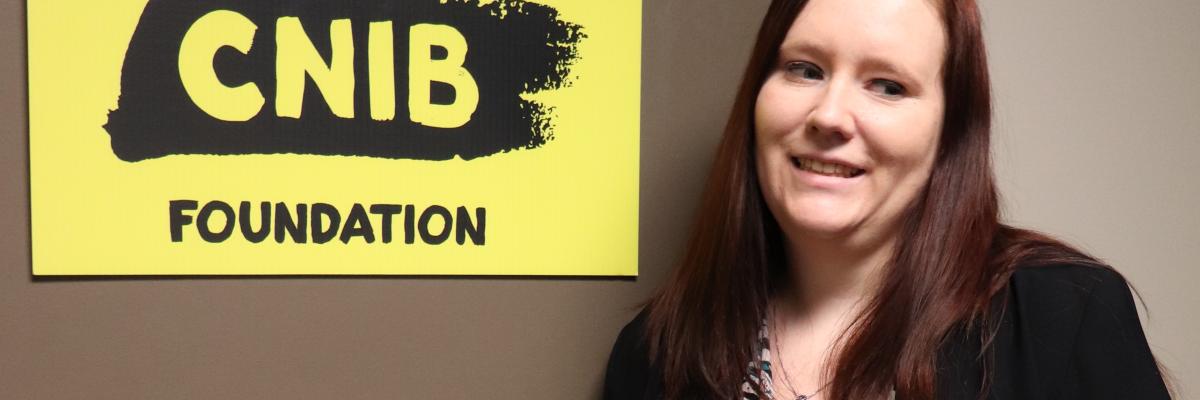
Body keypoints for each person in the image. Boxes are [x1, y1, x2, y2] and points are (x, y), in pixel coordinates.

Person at [603, 0, 1173, 399]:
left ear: (949, 134)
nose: (829, 116)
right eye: (805, 70)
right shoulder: (656, 352)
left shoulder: (1062, 315)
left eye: (887, 85)